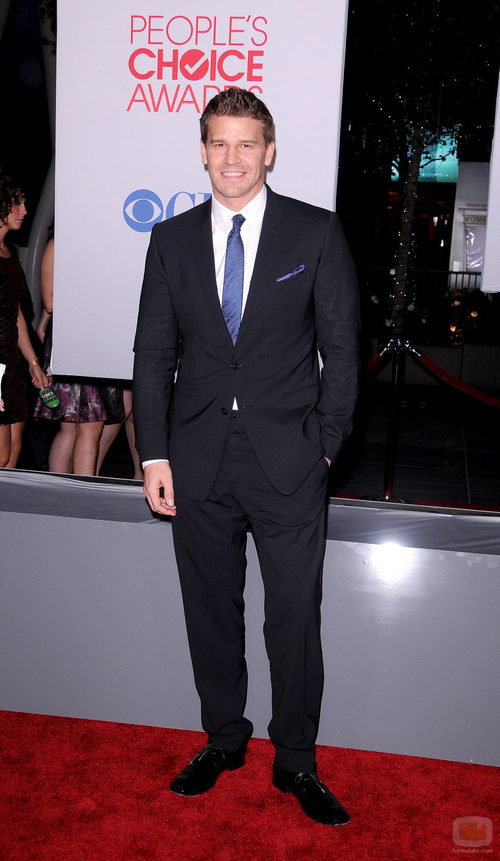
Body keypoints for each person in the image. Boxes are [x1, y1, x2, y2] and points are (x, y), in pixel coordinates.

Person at [133, 89, 360, 827]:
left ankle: (295, 758)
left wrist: (324, 445)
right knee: (210, 612)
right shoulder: (170, 239)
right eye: (219, 144)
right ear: (203, 151)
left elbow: (342, 353)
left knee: (293, 617)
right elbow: (153, 354)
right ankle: (223, 739)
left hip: (289, 461)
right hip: (196, 459)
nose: (232, 158)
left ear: (269, 151)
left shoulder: (315, 232)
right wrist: (154, 454)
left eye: (246, 144)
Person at [34, 236, 124, 475]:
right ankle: (79, 491)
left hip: (90, 339)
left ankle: (62, 490)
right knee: (86, 427)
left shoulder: (92, 243)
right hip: (80, 340)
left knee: (76, 428)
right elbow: (50, 301)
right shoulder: (60, 243)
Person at [0, 176, 47, 467]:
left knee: (13, 454)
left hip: (12, 364)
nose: (25, 211)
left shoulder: (10, 251)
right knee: (2, 455)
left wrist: (33, 363)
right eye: (17, 203)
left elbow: (15, 312)